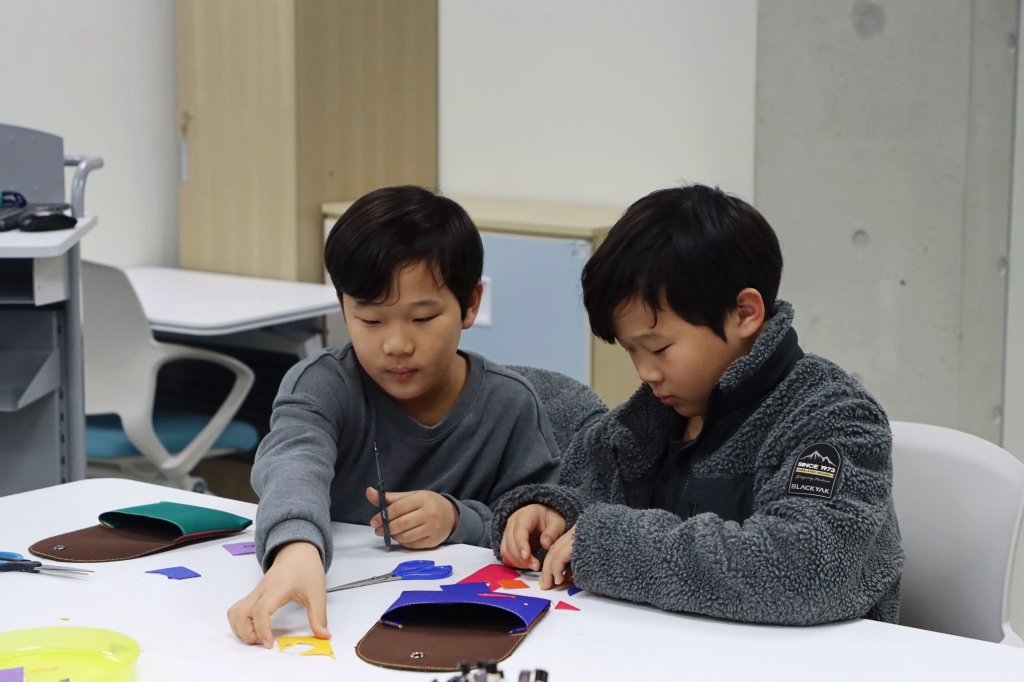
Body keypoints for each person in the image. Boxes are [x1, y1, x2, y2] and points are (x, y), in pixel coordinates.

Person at [492, 184, 904, 626]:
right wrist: (552, 516)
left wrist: (612, 546)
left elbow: (806, 568)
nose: (645, 373)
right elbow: (586, 504)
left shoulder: (834, 416)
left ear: (745, 314)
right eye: (632, 351)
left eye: (660, 348)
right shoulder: (639, 426)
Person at [228, 186, 561, 647]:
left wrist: (456, 518)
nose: (397, 345)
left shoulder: (511, 405)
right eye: (371, 320)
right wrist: (295, 549)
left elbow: (540, 522)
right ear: (343, 307)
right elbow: (292, 465)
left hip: (461, 629)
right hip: (341, 618)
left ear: (470, 304)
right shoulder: (322, 385)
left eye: (422, 319)